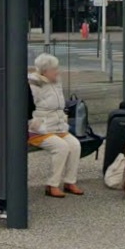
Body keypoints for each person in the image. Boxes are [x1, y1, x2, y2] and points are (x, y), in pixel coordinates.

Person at [28, 53, 84, 198]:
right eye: (54, 69)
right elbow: (28, 107)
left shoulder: (56, 81)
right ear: (44, 71)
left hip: (58, 126)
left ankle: (70, 181)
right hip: (39, 129)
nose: (57, 71)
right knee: (61, 147)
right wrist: (35, 124)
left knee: (75, 145)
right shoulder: (33, 84)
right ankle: (52, 185)